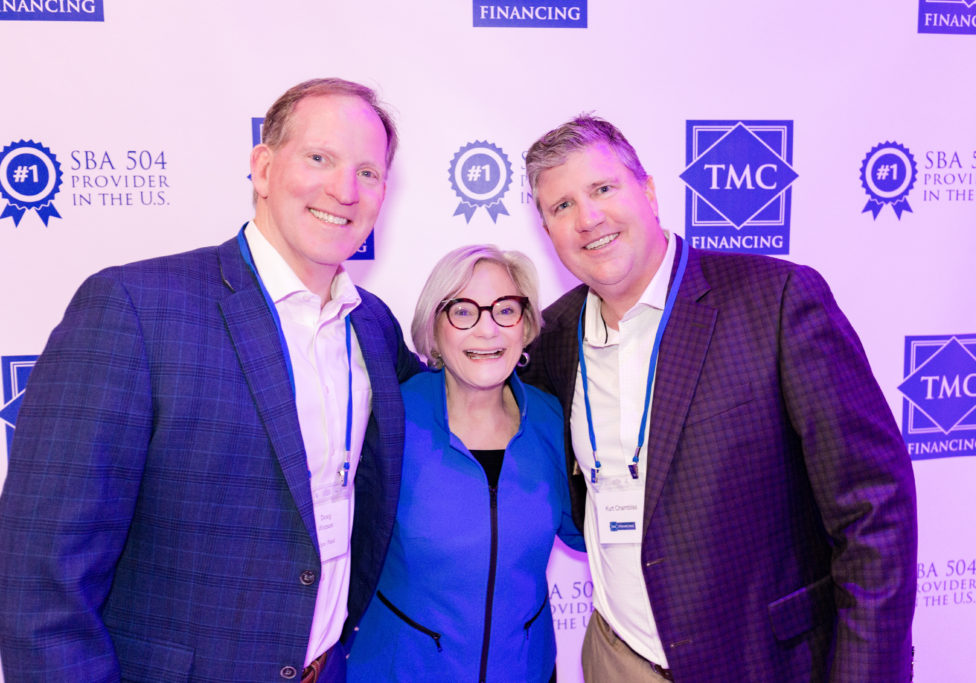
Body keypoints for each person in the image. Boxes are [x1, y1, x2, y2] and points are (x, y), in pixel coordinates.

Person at [0, 78, 422, 682]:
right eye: (319, 158)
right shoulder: (135, 308)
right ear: (264, 168)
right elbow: (41, 581)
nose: (344, 189)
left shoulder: (374, 326)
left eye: (368, 172)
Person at [519, 115, 917, 682]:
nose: (588, 218)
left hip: (763, 664)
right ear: (547, 229)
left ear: (648, 191)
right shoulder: (551, 339)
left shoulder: (775, 301)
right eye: (562, 206)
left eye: (603, 189)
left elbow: (874, 510)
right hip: (617, 658)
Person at [346, 245, 584, 682]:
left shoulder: (554, 419)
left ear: (526, 326)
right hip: (401, 671)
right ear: (433, 328)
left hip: (525, 671)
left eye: (506, 310)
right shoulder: (389, 420)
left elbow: (592, 534)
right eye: (462, 311)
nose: (487, 330)